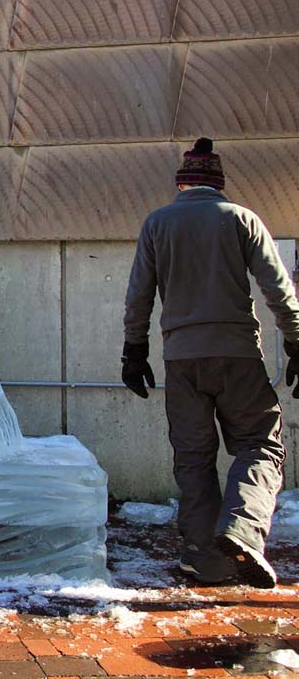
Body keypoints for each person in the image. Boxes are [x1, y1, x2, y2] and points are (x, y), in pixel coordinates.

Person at [122, 137, 299, 588]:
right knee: (260, 444)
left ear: (183, 182)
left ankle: (205, 558)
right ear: (217, 184)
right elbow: (277, 290)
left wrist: (134, 351)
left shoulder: (157, 223)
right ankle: (242, 531)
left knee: (194, 457)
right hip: (238, 354)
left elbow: (139, 294)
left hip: (182, 360)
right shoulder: (242, 219)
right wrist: (297, 342)